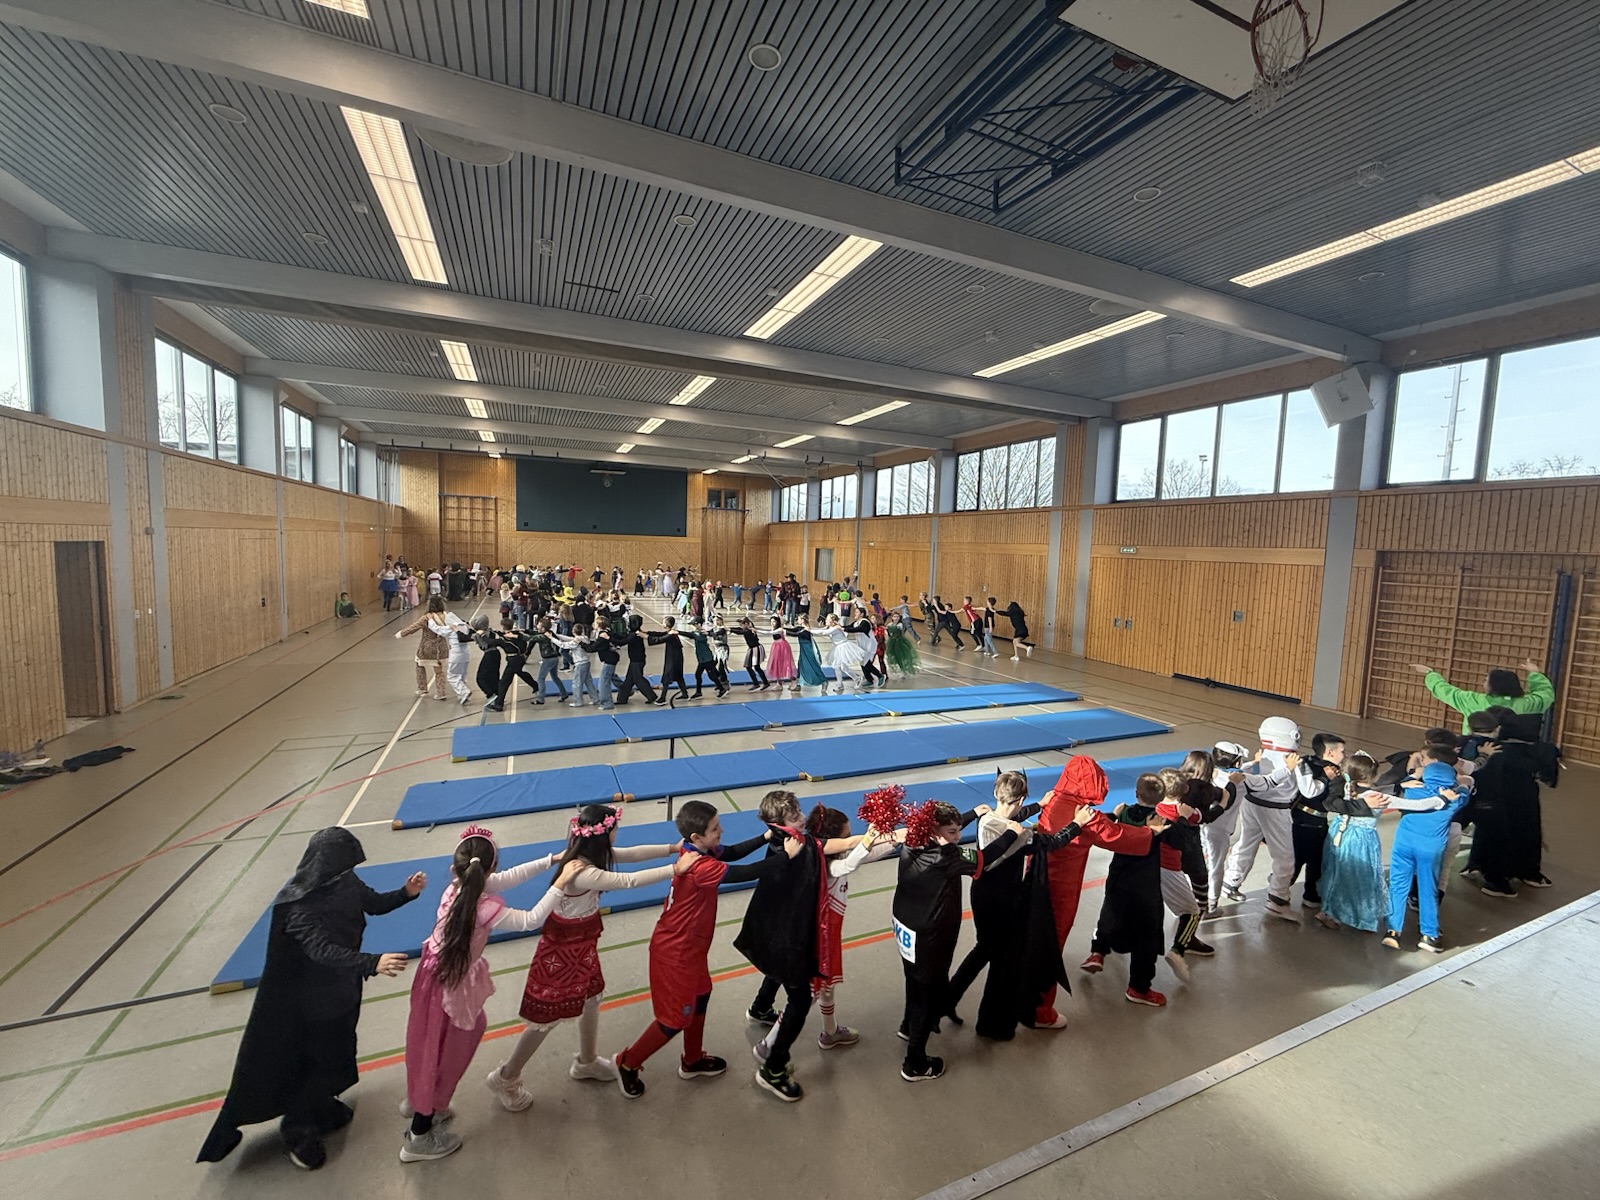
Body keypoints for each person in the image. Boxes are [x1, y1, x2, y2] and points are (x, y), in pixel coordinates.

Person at [196, 828, 421, 1169]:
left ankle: (319, 1104)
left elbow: (372, 903)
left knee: (338, 1051)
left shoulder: (345, 881)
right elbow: (321, 951)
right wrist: (371, 962)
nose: (350, 873)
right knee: (318, 1058)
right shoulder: (298, 906)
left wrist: (405, 893)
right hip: (313, 1000)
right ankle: (297, 1127)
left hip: (341, 988)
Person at [486, 802, 679, 1110]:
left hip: (582, 944)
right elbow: (628, 881)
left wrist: (672, 849)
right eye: (616, 829)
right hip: (561, 952)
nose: (618, 835)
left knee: (591, 998)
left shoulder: (592, 854)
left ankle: (586, 1061)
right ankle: (506, 1076)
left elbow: (631, 854)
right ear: (605, 834)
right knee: (545, 1018)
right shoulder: (583, 871)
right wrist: (674, 870)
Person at [401, 827, 559, 1162]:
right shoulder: (483, 907)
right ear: (489, 869)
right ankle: (419, 1133)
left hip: (433, 978)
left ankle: (424, 1101)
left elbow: (507, 878)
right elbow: (531, 919)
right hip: (447, 985)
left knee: (431, 1045)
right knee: (443, 1052)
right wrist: (560, 885)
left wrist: (551, 860)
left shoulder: (458, 887)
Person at [613, 802, 775, 1098]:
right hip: (675, 953)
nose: (721, 831)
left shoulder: (699, 851)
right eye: (715, 829)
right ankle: (627, 1062)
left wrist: (765, 838)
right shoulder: (700, 867)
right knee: (673, 1020)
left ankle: (692, 1060)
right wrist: (788, 857)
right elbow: (747, 872)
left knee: (701, 996)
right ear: (696, 836)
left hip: (692, 949)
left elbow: (732, 852)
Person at [737, 790, 861, 1102]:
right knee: (801, 998)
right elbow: (839, 847)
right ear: (779, 824)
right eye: (794, 817)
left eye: (800, 812)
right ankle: (773, 1067)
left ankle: (760, 1007)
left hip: (771, 930)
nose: (802, 819)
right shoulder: (798, 849)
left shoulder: (786, 841)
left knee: (776, 971)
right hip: (786, 936)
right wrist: (876, 837)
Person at [946, 772, 1086, 1040]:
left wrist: (1038, 806)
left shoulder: (986, 819)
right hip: (1004, 902)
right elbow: (1052, 842)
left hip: (981, 895)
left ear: (996, 794)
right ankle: (991, 1025)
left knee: (983, 949)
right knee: (1003, 963)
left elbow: (1010, 818)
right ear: (1020, 798)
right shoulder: (1020, 837)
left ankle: (946, 1000)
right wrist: (1077, 824)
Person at [1027, 757, 1160, 1029]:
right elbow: (1116, 836)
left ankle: (1022, 998)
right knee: (1051, 946)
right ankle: (1040, 1010)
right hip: (1061, 889)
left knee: (1031, 942)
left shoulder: (1052, 799)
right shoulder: (1085, 815)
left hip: (1034, 879)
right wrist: (1150, 832)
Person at [893, 800, 1021, 1080]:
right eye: (952, 832)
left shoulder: (912, 839)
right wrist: (1012, 832)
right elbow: (983, 859)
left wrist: (972, 813)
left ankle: (907, 1025)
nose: (958, 836)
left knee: (914, 980)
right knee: (927, 992)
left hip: (906, 924)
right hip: (931, 933)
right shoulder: (946, 856)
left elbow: (945, 828)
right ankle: (915, 1062)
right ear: (936, 831)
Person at [755, 807, 894, 1058]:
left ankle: (830, 1032)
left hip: (827, 934)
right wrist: (869, 839)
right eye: (846, 836)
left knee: (826, 986)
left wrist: (895, 839)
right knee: (808, 994)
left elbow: (865, 855)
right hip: (815, 938)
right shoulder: (822, 865)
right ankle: (770, 1043)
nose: (850, 838)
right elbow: (849, 864)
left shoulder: (831, 854)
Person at [1082, 775, 1179, 1006]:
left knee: (1110, 914)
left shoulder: (1123, 812)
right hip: (1144, 885)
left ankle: (1098, 951)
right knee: (1146, 934)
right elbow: (1178, 840)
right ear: (1161, 798)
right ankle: (1139, 987)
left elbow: (1109, 826)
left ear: (1136, 794)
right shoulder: (1160, 822)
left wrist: (1116, 815)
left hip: (1119, 877)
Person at [1466, 712, 1560, 897]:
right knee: (1524, 834)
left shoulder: (1486, 746)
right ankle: (1516, 875)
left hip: (1492, 798)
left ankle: (1478, 865)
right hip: (1523, 798)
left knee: (1490, 834)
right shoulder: (1542, 750)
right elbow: (1548, 778)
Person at [1219, 716, 1303, 922]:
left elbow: (1245, 772)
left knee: (1246, 843)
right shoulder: (1291, 761)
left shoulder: (1262, 755)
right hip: (1275, 810)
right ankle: (1278, 899)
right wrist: (1290, 769)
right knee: (1284, 856)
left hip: (1251, 804)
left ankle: (1231, 881)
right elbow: (1272, 781)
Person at [1382, 752, 1467, 953]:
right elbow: (1466, 788)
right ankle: (1429, 935)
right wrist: (1460, 780)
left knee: (1397, 886)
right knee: (1428, 889)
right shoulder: (1455, 799)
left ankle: (1393, 931)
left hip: (1404, 844)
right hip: (1430, 849)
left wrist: (1416, 772)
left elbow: (1407, 780)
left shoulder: (1412, 790)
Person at [1313, 753, 1389, 933]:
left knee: (1337, 873)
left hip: (1340, 834)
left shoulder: (1346, 789)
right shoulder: (1376, 796)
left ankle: (1330, 910)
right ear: (1375, 775)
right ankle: (1352, 914)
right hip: (1360, 840)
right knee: (1358, 877)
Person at [1410, 658, 1554, 733]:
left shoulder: (1474, 701)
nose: (1483, 683)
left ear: (1492, 686)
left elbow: (1445, 691)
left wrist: (1430, 673)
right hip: (1513, 754)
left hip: (1476, 750)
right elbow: (1545, 693)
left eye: (1486, 680)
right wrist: (1535, 673)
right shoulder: (1527, 704)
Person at [1290, 733, 1346, 909]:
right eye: (1342, 751)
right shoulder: (1334, 774)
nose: (1344, 755)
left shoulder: (1306, 762)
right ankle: (1310, 895)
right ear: (1330, 752)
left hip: (1296, 819)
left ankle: (1281, 891)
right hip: (1314, 824)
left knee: (1296, 859)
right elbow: (1332, 802)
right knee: (1314, 862)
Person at [1200, 742, 1246, 914]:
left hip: (1202, 826)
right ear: (1237, 763)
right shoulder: (1240, 783)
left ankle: (1197, 897)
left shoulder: (1208, 775)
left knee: (1201, 863)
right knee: (1216, 866)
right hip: (1219, 830)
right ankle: (1211, 904)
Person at [396, 596, 450, 700]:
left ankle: (422, 687)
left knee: (419, 663)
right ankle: (441, 692)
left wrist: (401, 634)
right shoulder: (445, 616)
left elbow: (413, 627)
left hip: (427, 647)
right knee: (439, 671)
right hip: (441, 648)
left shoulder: (427, 618)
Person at [428, 605, 473, 705]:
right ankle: (462, 694)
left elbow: (437, 629)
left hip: (456, 653)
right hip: (466, 653)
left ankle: (464, 692)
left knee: (452, 676)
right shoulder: (464, 626)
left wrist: (430, 620)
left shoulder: (452, 627)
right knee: (462, 675)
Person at [614, 614, 658, 706]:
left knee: (638, 679)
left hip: (637, 660)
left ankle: (651, 696)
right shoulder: (636, 633)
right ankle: (622, 698)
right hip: (636, 659)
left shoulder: (635, 635)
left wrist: (609, 638)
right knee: (629, 680)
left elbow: (622, 642)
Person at [822, 614, 868, 694]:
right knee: (839, 667)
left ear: (832, 621)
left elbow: (822, 632)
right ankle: (845, 682)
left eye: (827, 619)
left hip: (843, 647)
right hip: (838, 648)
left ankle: (854, 679)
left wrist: (809, 630)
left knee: (840, 666)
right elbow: (822, 631)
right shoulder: (830, 628)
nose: (825, 620)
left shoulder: (835, 628)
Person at [687, 618, 731, 699]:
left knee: (713, 674)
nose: (693, 626)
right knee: (699, 674)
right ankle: (699, 692)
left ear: (699, 624)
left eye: (694, 624)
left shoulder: (701, 633)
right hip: (703, 658)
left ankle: (722, 688)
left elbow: (692, 635)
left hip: (707, 657)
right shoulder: (699, 632)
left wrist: (678, 632)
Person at [787, 620, 828, 693]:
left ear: (802, 620)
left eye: (799, 619)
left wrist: (786, 632)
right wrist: (782, 628)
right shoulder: (800, 628)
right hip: (803, 650)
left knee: (813, 666)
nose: (797, 620)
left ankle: (824, 681)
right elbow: (793, 630)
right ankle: (798, 684)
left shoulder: (806, 630)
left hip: (808, 649)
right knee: (800, 665)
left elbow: (797, 634)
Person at [736, 617, 771, 691]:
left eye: (741, 625)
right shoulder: (748, 629)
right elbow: (738, 630)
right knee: (750, 667)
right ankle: (760, 683)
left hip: (756, 648)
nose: (741, 626)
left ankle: (761, 683)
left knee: (755, 667)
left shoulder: (749, 630)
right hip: (752, 649)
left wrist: (730, 630)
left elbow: (740, 632)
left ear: (746, 624)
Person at [767, 617, 796, 690]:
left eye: (774, 621)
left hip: (782, 647)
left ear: (777, 622)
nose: (772, 623)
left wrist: (756, 630)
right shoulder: (773, 629)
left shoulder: (779, 629)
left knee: (785, 664)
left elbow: (768, 633)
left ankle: (793, 680)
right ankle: (779, 683)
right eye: (771, 621)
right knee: (776, 664)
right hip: (776, 646)